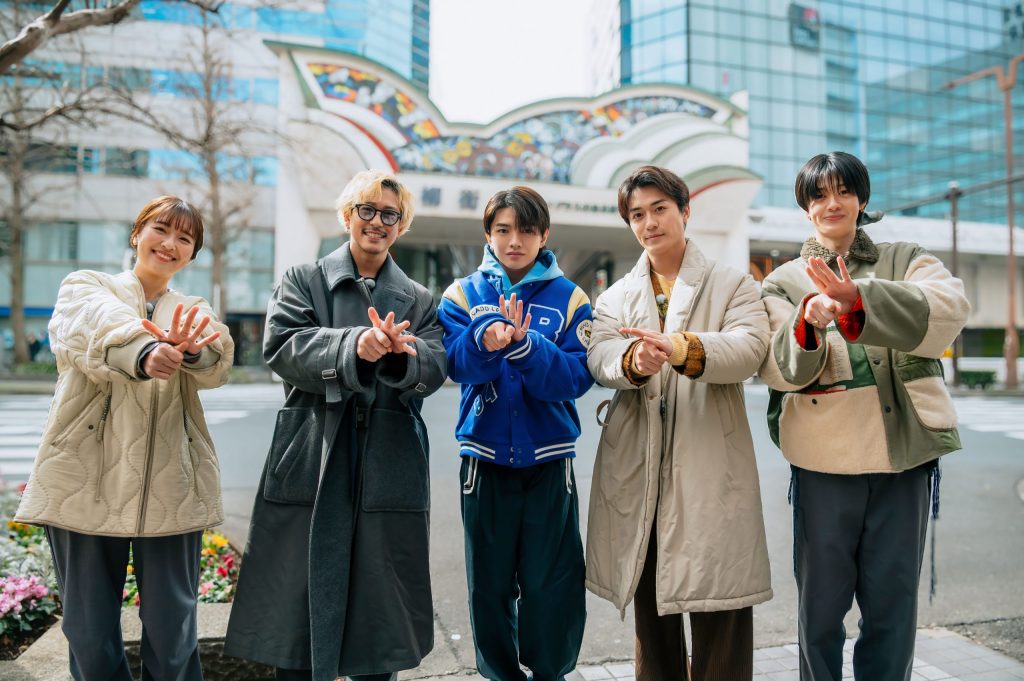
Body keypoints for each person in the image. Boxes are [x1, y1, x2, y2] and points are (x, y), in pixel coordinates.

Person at [224, 170, 447, 681]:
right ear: (347, 216)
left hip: (388, 455)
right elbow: (282, 346)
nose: (377, 222)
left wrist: (401, 355)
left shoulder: (419, 299)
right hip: (313, 448)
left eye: (390, 214)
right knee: (297, 611)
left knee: (379, 611)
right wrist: (353, 345)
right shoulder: (302, 279)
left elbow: (435, 366)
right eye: (367, 209)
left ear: (401, 226)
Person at [758, 151, 969, 681]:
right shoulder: (782, 281)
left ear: (861, 199)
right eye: (819, 195)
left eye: (843, 191)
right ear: (805, 207)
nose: (832, 203)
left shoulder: (906, 257)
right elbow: (780, 367)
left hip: (904, 460)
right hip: (823, 464)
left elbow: (950, 307)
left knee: (893, 608)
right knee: (820, 610)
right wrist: (809, 319)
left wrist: (858, 298)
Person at [15, 195, 233, 681]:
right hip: (82, 478)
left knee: (174, 634)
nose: (170, 243)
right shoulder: (85, 286)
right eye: (161, 229)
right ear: (137, 234)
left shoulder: (193, 308)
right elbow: (91, 323)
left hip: (173, 484)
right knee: (88, 634)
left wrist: (191, 352)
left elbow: (217, 356)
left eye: (185, 238)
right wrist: (147, 350)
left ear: (192, 255)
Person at [586, 165, 772, 681]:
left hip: (710, 463)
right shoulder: (615, 296)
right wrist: (632, 361)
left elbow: (750, 349)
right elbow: (599, 355)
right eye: (636, 215)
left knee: (721, 603)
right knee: (653, 614)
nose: (649, 223)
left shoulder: (733, 283)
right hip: (640, 467)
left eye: (659, 209)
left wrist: (679, 347)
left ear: (685, 211)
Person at [436, 186, 593, 681]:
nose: (514, 241)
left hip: (550, 464)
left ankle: (550, 672)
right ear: (488, 234)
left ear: (544, 235)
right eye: (503, 229)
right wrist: (483, 340)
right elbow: (454, 364)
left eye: (526, 230)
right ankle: (501, 675)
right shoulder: (463, 294)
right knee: (489, 585)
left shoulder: (571, 298)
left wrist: (526, 346)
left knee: (552, 584)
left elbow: (575, 377)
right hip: (483, 463)